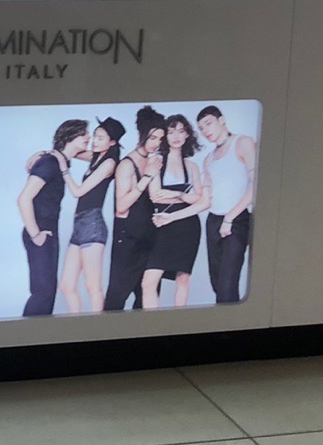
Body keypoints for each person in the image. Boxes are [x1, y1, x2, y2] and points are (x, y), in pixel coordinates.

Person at [17, 118, 90, 317]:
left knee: (47, 292)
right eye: (84, 133)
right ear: (70, 136)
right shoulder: (49, 163)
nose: (89, 137)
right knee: (43, 293)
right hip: (40, 232)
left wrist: (49, 152)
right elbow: (24, 199)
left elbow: (102, 157)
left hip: (48, 232)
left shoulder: (58, 161)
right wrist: (36, 235)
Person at [57, 118, 122, 315]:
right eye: (94, 136)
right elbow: (69, 151)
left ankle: (98, 329)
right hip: (79, 224)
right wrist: (44, 154)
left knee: (93, 287)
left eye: (100, 138)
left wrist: (64, 169)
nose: (95, 141)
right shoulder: (96, 157)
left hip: (92, 225)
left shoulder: (109, 163)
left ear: (112, 142)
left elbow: (78, 191)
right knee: (67, 285)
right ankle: (78, 326)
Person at [143, 113, 208, 310]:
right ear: (165, 136)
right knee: (149, 281)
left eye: (180, 131)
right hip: (163, 224)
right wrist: (185, 197)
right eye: (171, 132)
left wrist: (176, 194)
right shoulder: (156, 160)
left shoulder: (192, 166)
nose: (176, 136)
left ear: (187, 134)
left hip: (187, 226)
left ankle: (178, 322)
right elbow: (155, 196)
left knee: (183, 279)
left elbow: (199, 198)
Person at [197, 105, 258, 305]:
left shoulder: (242, 143)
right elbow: (205, 200)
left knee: (227, 286)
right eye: (201, 128)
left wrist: (230, 218)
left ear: (221, 120)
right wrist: (173, 211)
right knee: (217, 283)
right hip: (213, 221)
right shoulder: (208, 160)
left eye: (208, 123)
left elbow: (257, 185)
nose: (205, 131)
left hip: (236, 220)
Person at [103, 112, 160, 311]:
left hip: (150, 235)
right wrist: (147, 177)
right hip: (127, 236)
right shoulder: (127, 165)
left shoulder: (156, 160)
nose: (156, 143)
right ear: (142, 134)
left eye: (160, 139)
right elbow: (121, 206)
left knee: (147, 296)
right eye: (152, 137)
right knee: (116, 296)